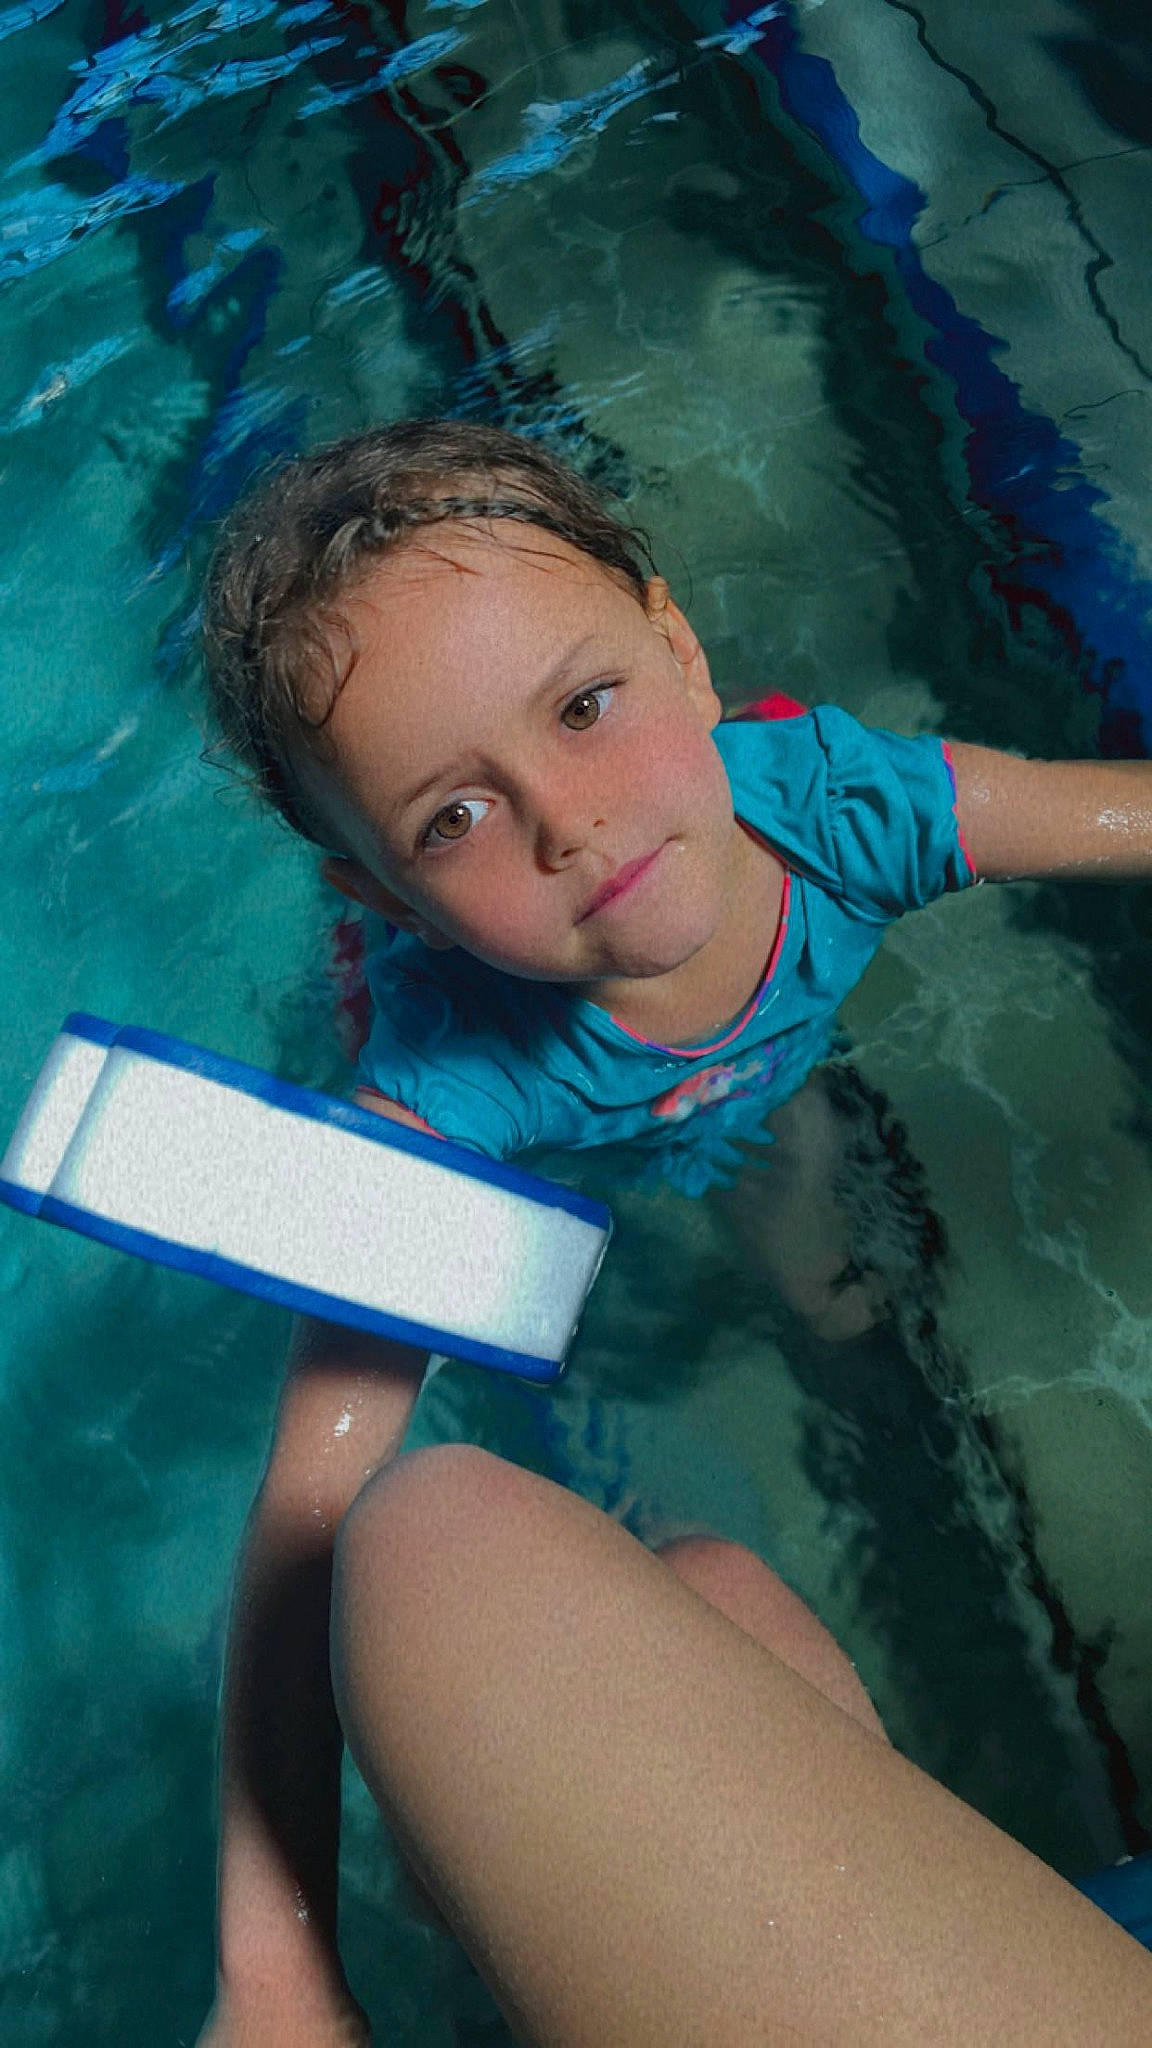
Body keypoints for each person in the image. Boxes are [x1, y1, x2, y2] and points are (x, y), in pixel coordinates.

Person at [195, 420, 1152, 2041]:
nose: (567, 821)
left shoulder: (849, 814)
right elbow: (303, 1535)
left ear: (684, 651)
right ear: (389, 898)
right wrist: (278, 1974)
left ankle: (775, 1163)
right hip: (561, 1106)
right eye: (451, 821)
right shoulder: (444, 1092)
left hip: (758, 1061)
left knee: (823, 1256)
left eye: (584, 707)